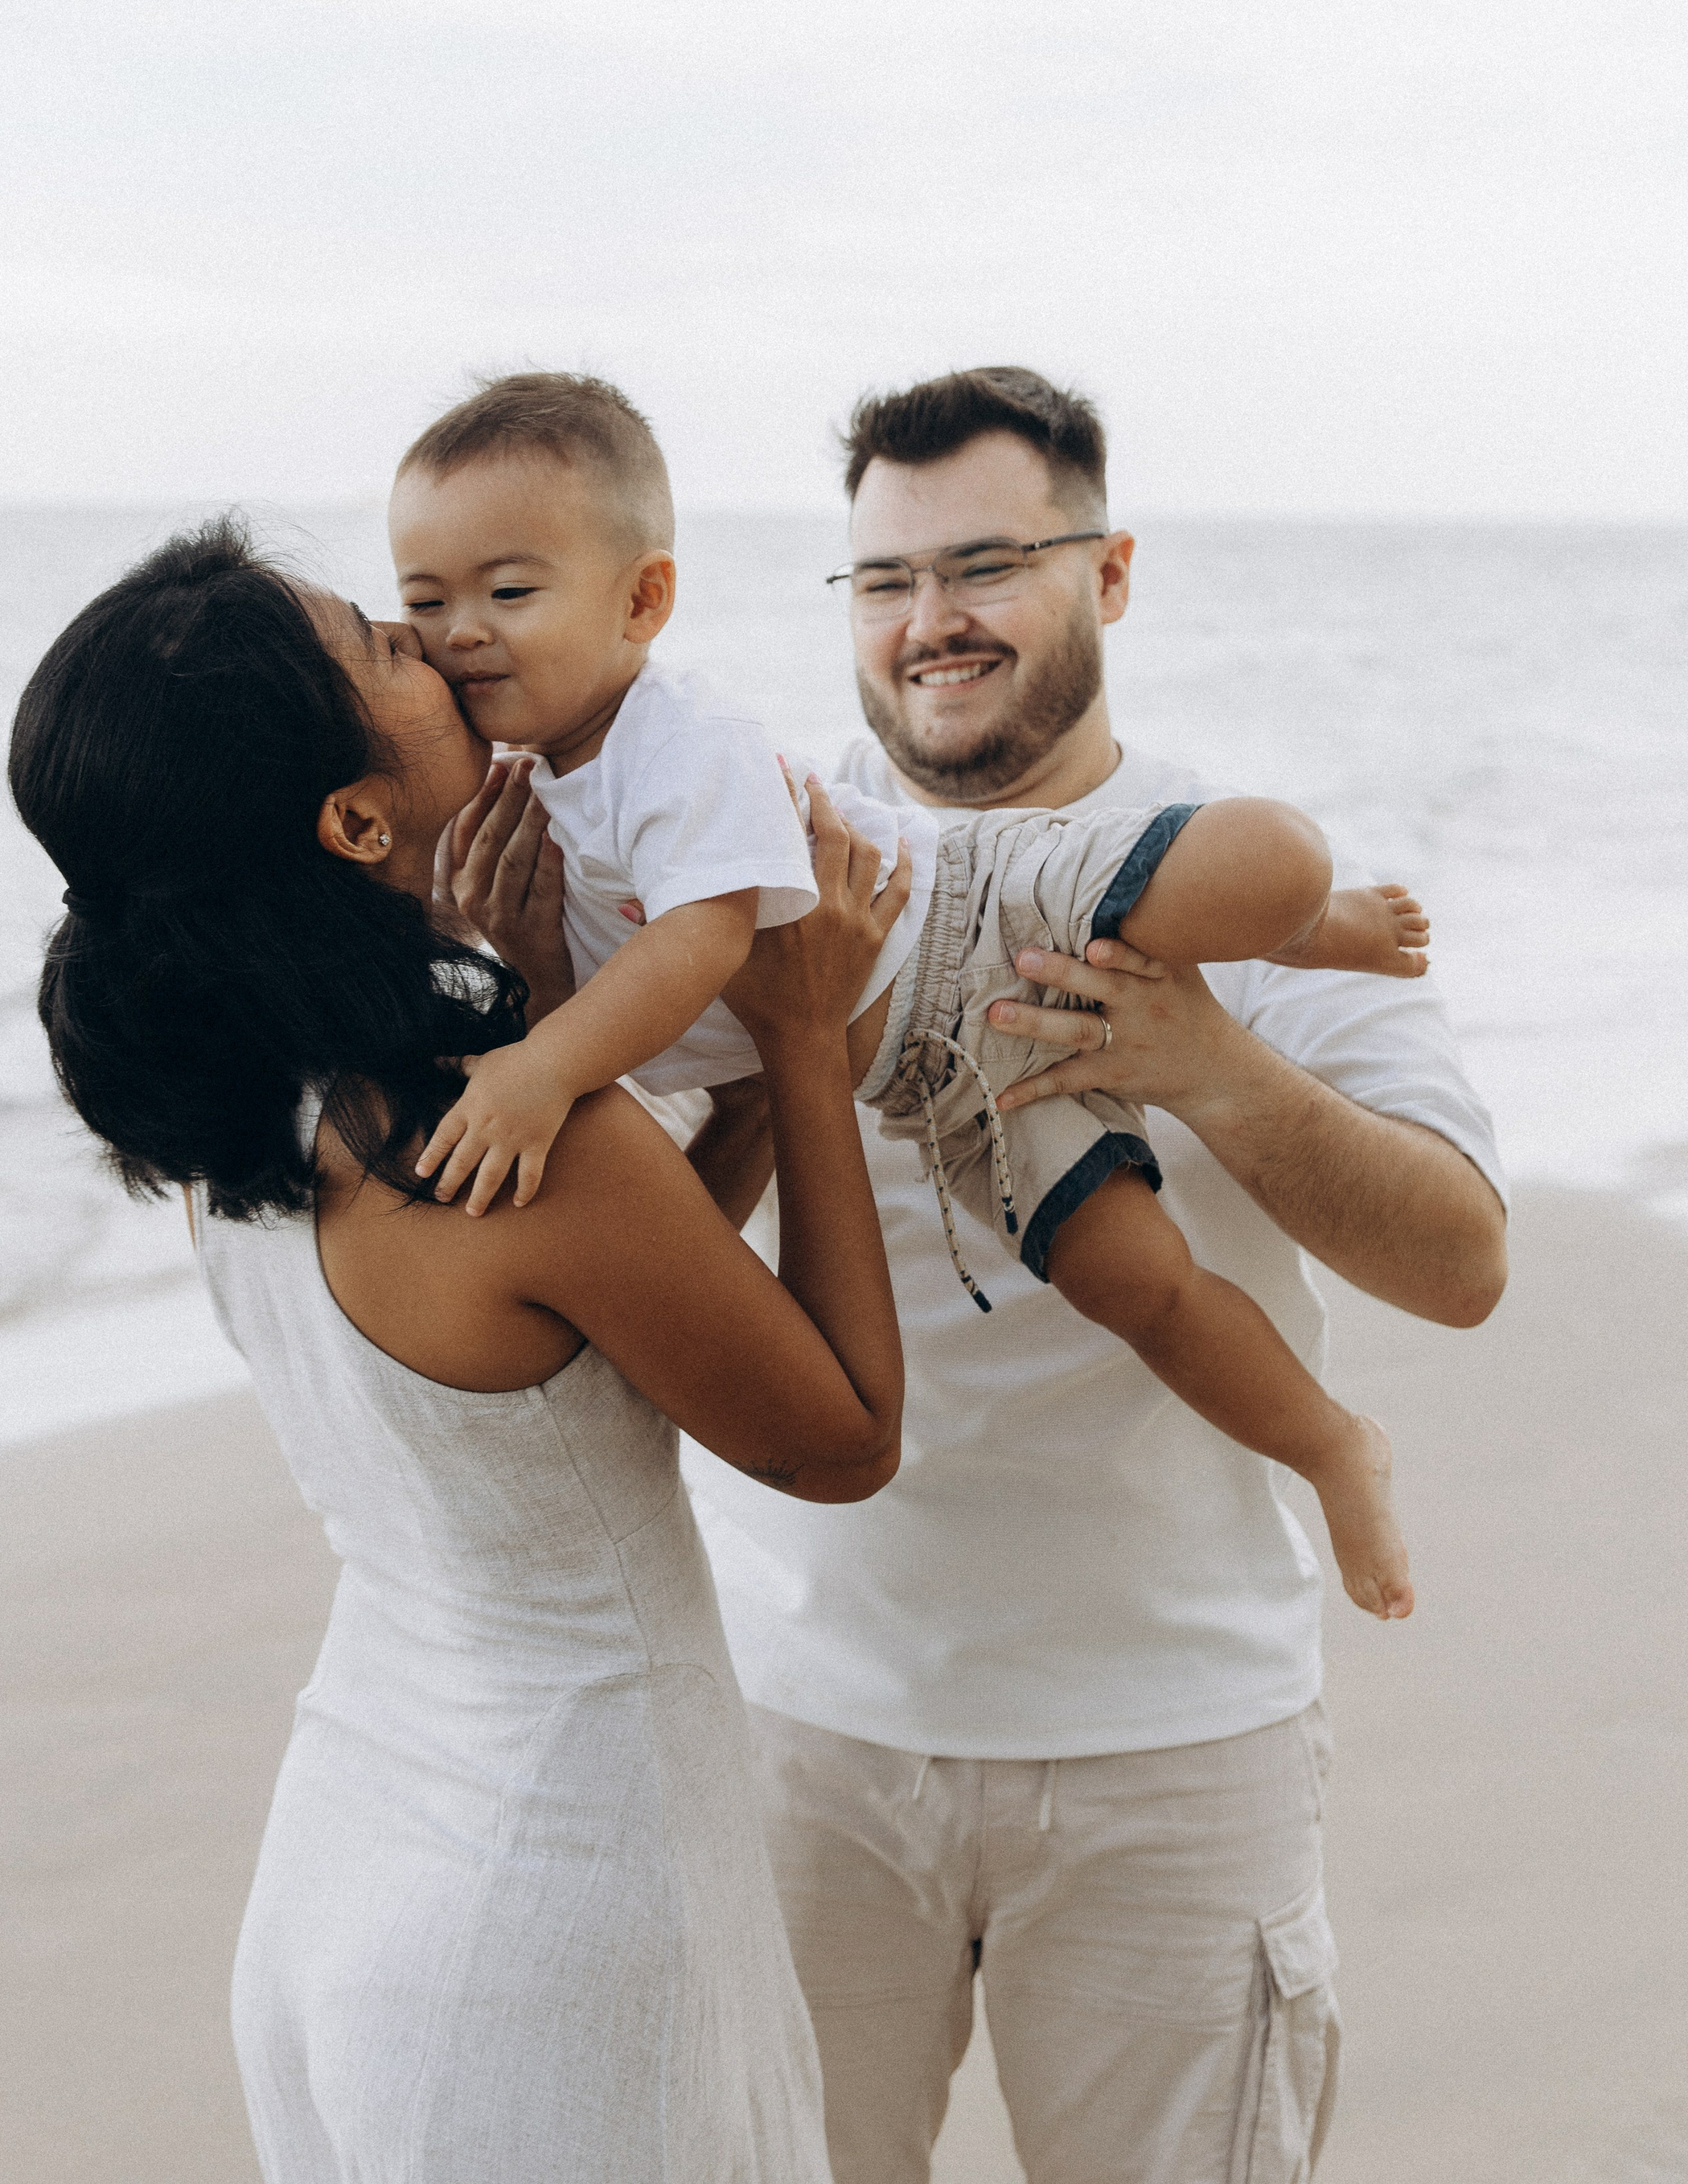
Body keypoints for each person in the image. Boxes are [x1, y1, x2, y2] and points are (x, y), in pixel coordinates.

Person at [449, 368, 1509, 2184]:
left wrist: (1205, 1062)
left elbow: (1462, 1261)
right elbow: (657, 1275)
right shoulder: (749, 846)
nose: (928, 622)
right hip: (806, 1733)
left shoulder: (1209, 873)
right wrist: (597, 999)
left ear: (1106, 576)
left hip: (1170, 1748)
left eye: (986, 565)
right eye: (882, 581)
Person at [6, 519, 915, 2184]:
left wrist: (591, 1020)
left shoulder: (250, 1107)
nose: (443, 644)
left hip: (351, 1857)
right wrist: (797, 1039)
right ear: (352, 819)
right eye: (386, 640)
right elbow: (839, 1434)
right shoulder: (497, 1135)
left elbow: (615, 1319)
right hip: (551, 1911)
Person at [392, 372, 1430, 1618]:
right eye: (420, 605)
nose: (462, 631)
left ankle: (1326, 923)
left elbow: (709, 935)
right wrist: (521, 975)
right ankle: (1329, 1444)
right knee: (1134, 1280)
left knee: (1264, 860)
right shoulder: (520, 803)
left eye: (508, 593)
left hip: (973, 905)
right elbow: (653, 1107)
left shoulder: (668, 739)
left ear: (642, 600)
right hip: (938, 1076)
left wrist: (545, 1063)